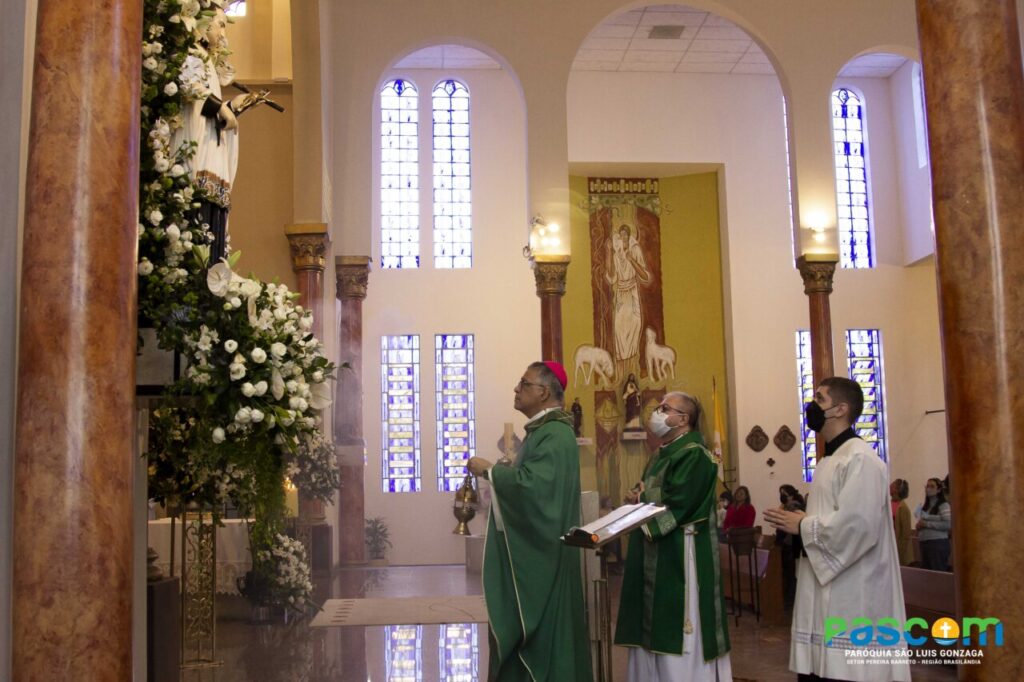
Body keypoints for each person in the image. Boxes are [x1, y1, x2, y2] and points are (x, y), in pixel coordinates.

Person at [764, 377, 909, 682]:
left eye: (820, 399)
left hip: (853, 591)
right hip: (826, 585)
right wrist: (801, 520)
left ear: (841, 409)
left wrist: (802, 525)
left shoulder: (861, 459)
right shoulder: (829, 460)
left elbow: (858, 527)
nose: (812, 406)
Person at [466, 361, 592, 681]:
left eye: (524, 383)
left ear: (544, 392)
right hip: (545, 553)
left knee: (544, 638)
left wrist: (489, 471)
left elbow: (535, 490)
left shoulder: (554, 434)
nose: (516, 389)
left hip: (547, 558)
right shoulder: (543, 432)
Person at [615, 391, 732, 681]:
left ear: (684, 418)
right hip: (657, 549)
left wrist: (643, 496)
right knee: (649, 629)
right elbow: (651, 490)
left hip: (680, 551)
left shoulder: (697, 455)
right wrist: (636, 495)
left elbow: (680, 501)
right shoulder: (661, 454)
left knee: (676, 626)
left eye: (665, 408)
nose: (657, 412)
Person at [173, 5, 249, 261]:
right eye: (221, 24)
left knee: (215, 210)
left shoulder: (206, 63)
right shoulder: (192, 55)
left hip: (212, 152)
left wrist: (232, 107)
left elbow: (211, 109)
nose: (224, 32)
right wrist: (220, 108)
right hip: (197, 149)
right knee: (199, 212)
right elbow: (189, 90)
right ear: (204, 25)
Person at [606, 224, 651, 377]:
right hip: (620, 293)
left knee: (635, 325)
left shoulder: (635, 250)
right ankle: (622, 372)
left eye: (626, 235)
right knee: (619, 327)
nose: (623, 238)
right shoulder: (616, 253)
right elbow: (612, 278)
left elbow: (645, 276)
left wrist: (632, 260)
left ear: (629, 236)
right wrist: (608, 252)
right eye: (621, 235)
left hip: (632, 292)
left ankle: (633, 368)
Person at [776, 484, 806, 609]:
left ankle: (792, 600)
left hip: (792, 544)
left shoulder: (794, 506)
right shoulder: (784, 507)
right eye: (780, 493)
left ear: (791, 495)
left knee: (792, 573)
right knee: (788, 573)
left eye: (784, 493)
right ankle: (789, 598)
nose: (781, 496)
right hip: (786, 543)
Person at [915, 477, 951, 571]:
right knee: (927, 575)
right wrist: (919, 526)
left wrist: (927, 524)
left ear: (939, 490)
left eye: (932, 486)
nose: (928, 488)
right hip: (925, 543)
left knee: (937, 573)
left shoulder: (944, 505)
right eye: (927, 486)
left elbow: (948, 524)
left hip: (937, 544)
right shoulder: (926, 506)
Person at [890, 479, 914, 566]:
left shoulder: (903, 508)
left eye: (892, 485)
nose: (889, 486)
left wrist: (900, 550)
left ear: (896, 489)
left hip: (898, 546)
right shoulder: (889, 503)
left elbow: (906, 533)